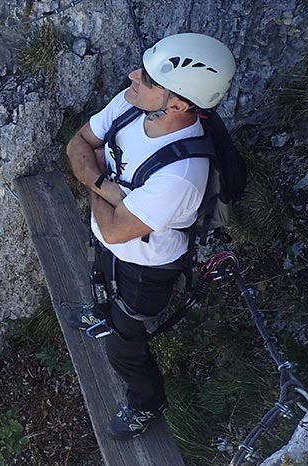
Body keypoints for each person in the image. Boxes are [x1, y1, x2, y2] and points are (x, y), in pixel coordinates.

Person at [64, 33, 237, 440]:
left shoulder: (180, 175)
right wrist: (107, 188)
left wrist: (95, 175)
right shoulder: (131, 104)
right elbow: (78, 144)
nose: (132, 76)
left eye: (147, 78)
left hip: (148, 266)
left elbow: (112, 226)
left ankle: (146, 402)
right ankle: (100, 312)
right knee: (100, 281)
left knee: (124, 345)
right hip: (118, 244)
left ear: (177, 104)